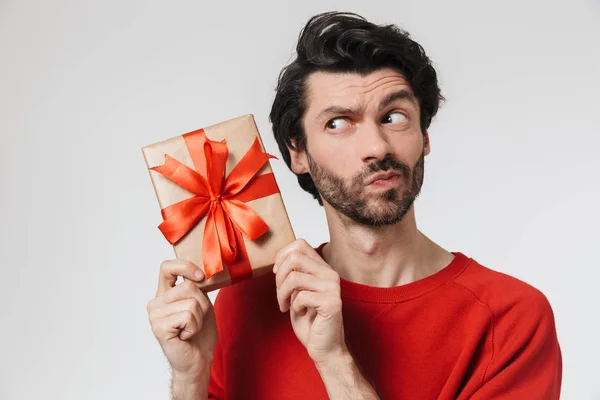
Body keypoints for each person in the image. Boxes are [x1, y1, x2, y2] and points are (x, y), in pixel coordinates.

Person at [146, 11, 562, 400]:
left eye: (394, 116)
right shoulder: (248, 302)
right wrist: (190, 377)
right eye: (338, 123)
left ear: (425, 135)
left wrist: (335, 361)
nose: (377, 147)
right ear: (298, 153)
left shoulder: (511, 318)